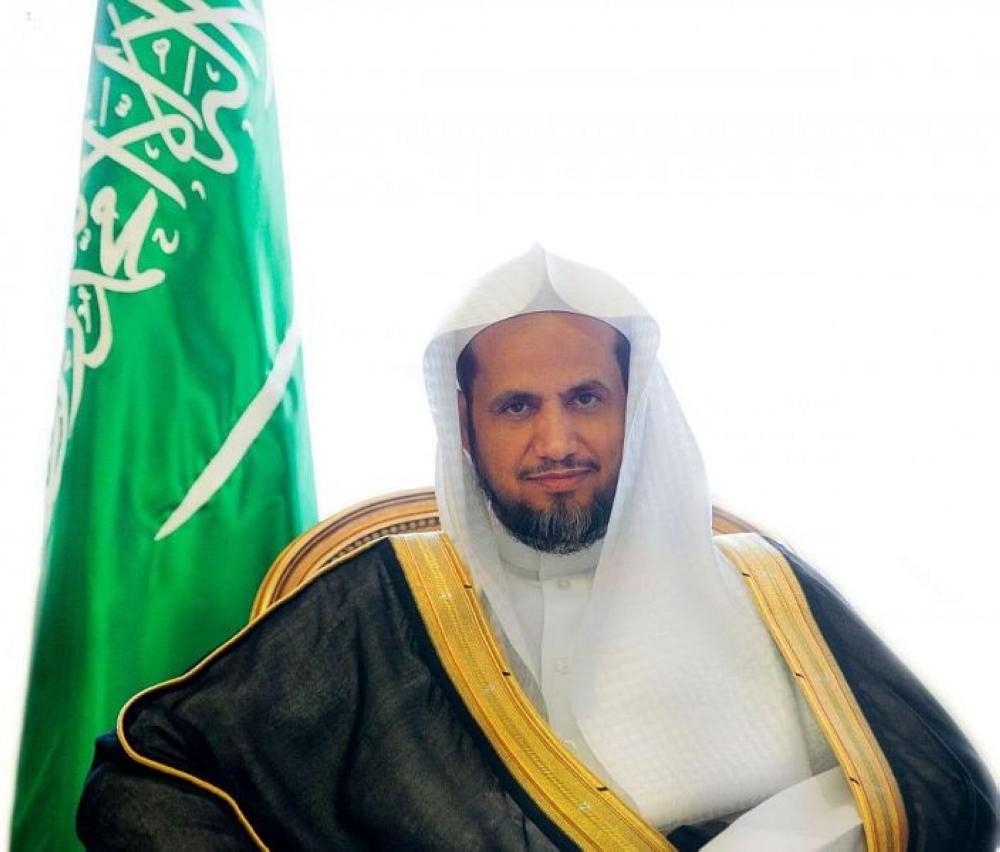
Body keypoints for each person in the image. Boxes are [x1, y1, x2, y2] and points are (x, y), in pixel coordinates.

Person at [77, 246, 996, 850]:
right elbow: (145, 775)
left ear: (636, 409)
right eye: (516, 406)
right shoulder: (380, 603)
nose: (556, 441)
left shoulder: (763, 585)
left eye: (586, 398)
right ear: (466, 426)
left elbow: (944, 791)